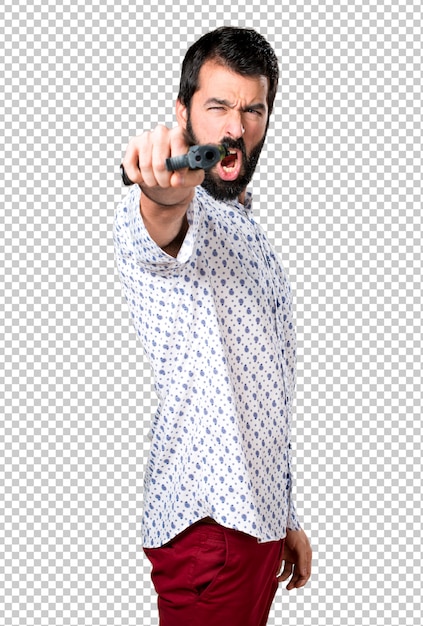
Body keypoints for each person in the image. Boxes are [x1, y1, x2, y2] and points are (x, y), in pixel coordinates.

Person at [114, 26, 312, 626]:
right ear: (183, 112)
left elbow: (258, 397)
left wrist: (285, 517)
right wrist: (160, 191)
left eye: (253, 109)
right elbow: (159, 218)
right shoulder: (180, 209)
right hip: (209, 537)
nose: (237, 126)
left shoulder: (248, 228)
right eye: (219, 106)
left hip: (253, 529)